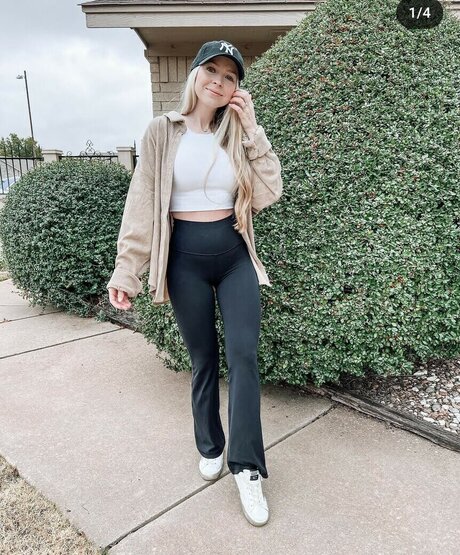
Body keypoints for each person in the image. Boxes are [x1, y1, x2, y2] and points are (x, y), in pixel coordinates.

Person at [107, 39, 283, 527]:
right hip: (183, 260)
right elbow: (142, 202)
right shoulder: (162, 131)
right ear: (195, 74)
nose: (219, 82)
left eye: (230, 76)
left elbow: (269, 191)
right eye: (212, 70)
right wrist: (127, 269)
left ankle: (247, 467)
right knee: (204, 358)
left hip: (234, 257)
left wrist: (253, 130)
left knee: (244, 356)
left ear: (236, 89)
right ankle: (210, 445)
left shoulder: (237, 135)